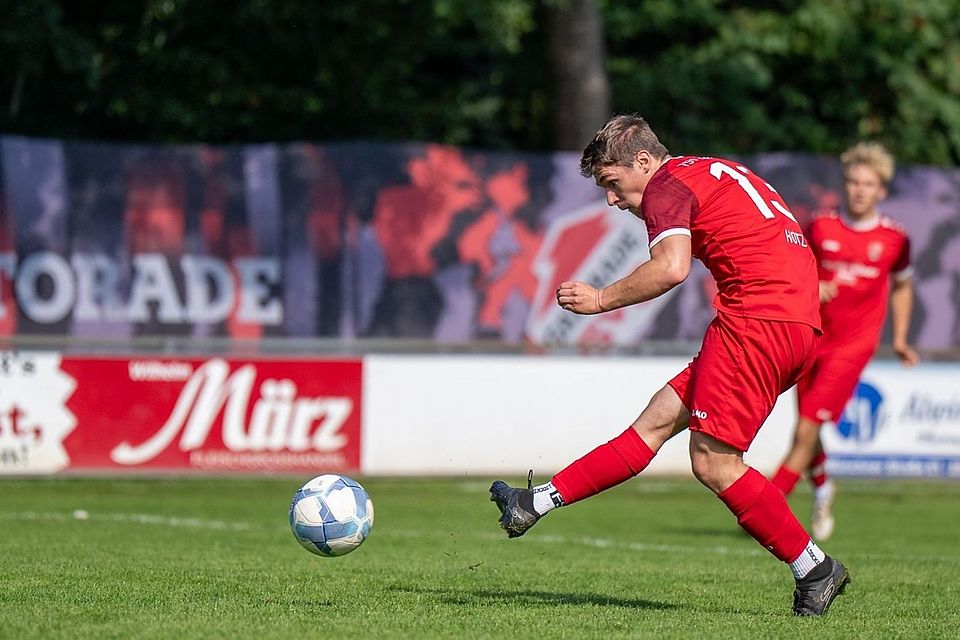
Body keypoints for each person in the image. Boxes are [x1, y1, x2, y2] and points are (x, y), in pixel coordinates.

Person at [489, 114, 850, 616]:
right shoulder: (710, 168)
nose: (612, 200)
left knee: (713, 462)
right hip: (795, 322)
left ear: (643, 161)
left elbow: (671, 268)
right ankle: (534, 504)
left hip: (758, 321)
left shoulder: (665, 186)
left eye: (613, 184)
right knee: (657, 420)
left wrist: (599, 299)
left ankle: (814, 567)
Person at [770, 143, 918, 540]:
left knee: (803, 431)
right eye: (853, 181)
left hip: (852, 348)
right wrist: (813, 286)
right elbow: (792, 269)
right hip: (811, 337)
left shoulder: (894, 239)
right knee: (808, 430)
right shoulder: (820, 227)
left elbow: (903, 287)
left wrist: (901, 338)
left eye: (868, 183)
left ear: (881, 190)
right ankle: (822, 488)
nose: (859, 190)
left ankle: (766, 505)